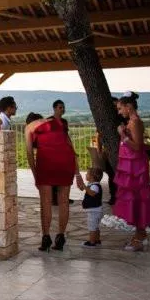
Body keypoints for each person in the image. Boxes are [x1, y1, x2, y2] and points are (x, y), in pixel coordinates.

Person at [25, 111, 83, 252]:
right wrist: (78, 175)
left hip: (47, 163)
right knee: (64, 202)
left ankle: (46, 238)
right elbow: (71, 149)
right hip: (66, 162)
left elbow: (29, 154)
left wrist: (36, 175)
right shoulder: (58, 123)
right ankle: (60, 237)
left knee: (46, 203)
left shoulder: (29, 127)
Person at [112, 92, 150, 252]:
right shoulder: (132, 122)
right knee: (135, 199)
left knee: (138, 199)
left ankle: (141, 237)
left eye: (120, 108)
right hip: (131, 167)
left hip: (136, 168)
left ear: (129, 106)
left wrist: (122, 135)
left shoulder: (135, 122)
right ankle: (140, 235)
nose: (119, 112)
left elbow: (137, 146)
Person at [96, 96, 128, 205]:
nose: (115, 108)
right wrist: (99, 151)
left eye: (116, 106)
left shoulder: (124, 119)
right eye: (113, 106)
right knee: (112, 174)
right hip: (109, 152)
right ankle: (114, 196)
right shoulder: (105, 119)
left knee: (120, 175)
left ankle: (121, 196)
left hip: (124, 151)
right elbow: (99, 135)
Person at [50, 100, 75, 206]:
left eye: (63, 107)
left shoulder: (64, 121)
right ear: (54, 108)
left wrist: (72, 149)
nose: (63, 109)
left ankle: (63, 197)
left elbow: (66, 136)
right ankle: (54, 199)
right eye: (60, 107)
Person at [78, 167, 104, 248]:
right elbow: (83, 189)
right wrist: (82, 186)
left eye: (87, 174)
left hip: (94, 211)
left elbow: (92, 193)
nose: (86, 174)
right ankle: (97, 240)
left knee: (92, 227)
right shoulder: (91, 184)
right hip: (95, 210)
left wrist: (85, 187)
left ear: (92, 177)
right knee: (95, 226)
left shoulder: (95, 186)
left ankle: (92, 242)